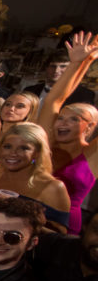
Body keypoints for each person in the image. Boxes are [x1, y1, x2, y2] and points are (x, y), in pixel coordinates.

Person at [36, 32, 98, 235]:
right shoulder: (47, 142)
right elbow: (53, 100)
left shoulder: (91, 155)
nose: (63, 122)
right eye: (61, 118)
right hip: (28, 214)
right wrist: (77, 63)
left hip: (64, 226)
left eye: (74, 119)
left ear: (90, 126)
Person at [0, 122, 70, 232]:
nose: (13, 153)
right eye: (7, 147)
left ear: (37, 153)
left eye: (24, 148)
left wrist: (20, 219)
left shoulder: (52, 187)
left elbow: (59, 235)